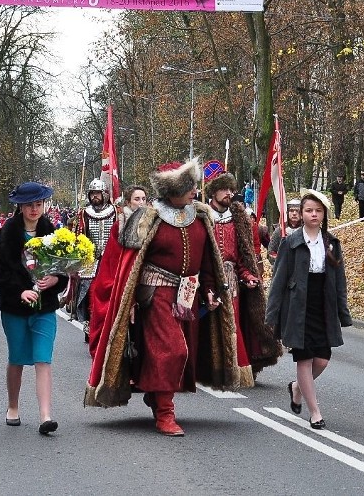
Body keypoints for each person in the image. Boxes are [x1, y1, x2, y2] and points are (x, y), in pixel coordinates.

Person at [84, 160, 242, 437]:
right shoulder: (147, 218)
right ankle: (165, 415)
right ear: (175, 188)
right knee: (172, 350)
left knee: (182, 353)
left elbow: (207, 260)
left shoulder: (201, 215)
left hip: (188, 296)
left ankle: (158, 394)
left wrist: (208, 289)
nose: (195, 190)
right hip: (155, 294)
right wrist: (128, 300)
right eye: (190, 186)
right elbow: (127, 264)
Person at [266, 190, 351, 430]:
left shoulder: (332, 243)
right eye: (309, 210)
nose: (313, 214)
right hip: (297, 307)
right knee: (304, 359)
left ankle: (297, 387)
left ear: (324, 214)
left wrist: (342, 312)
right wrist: (272, 314)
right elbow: (278, 280)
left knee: (322, 359)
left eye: (318, 210)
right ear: (301, 214)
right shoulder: (290, 242)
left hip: (323, 305)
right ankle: (315, 412)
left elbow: (340, 281)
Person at [0, 182, 69, 435]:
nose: (34, 209)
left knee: (43, 359)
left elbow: (65, 269)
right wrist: (18, 292)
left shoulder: (54, 232)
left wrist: (56, 280)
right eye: (29, 205)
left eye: (38, 204)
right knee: (17, 358)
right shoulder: (7, 234)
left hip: (45, 307)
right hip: (15, 309)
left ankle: (46, 415)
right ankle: (13, 406)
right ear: (20, 207)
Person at [205, 171, 281, 379]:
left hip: (231, 278)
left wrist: (248, 275)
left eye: (231, 189)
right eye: (224, 189)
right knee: (205, 325)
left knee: (233, 322)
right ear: (213, 192)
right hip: (205, 276)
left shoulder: (239, 220)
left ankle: (234, 369)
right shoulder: (202, 217)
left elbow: (242, 256)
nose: (229, 193)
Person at [86, 184, 148, 356]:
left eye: (144, 199)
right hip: (100, 266)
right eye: (137, 199)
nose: (141, 203)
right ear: (128, 202)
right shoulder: (118, 225)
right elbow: (113, 260)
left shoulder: (152, 224)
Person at [70, 178, 116, 340]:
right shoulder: (84, 213)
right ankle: (89, 325)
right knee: (88, 293)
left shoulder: (115, 212)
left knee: (110, 293)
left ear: (104, 194)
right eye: (92, 193)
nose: (95, 196)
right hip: (90, 260)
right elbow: (77, 236)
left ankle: (106, 325)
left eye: (98, 193)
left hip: (110, 260)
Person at [267, 198, 302, 266]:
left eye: (297, 211)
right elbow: (271, 252)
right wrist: (282, 262)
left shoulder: (306, 230)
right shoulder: (280, 230)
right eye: (291, 210)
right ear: (287, 213)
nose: (294, 213)